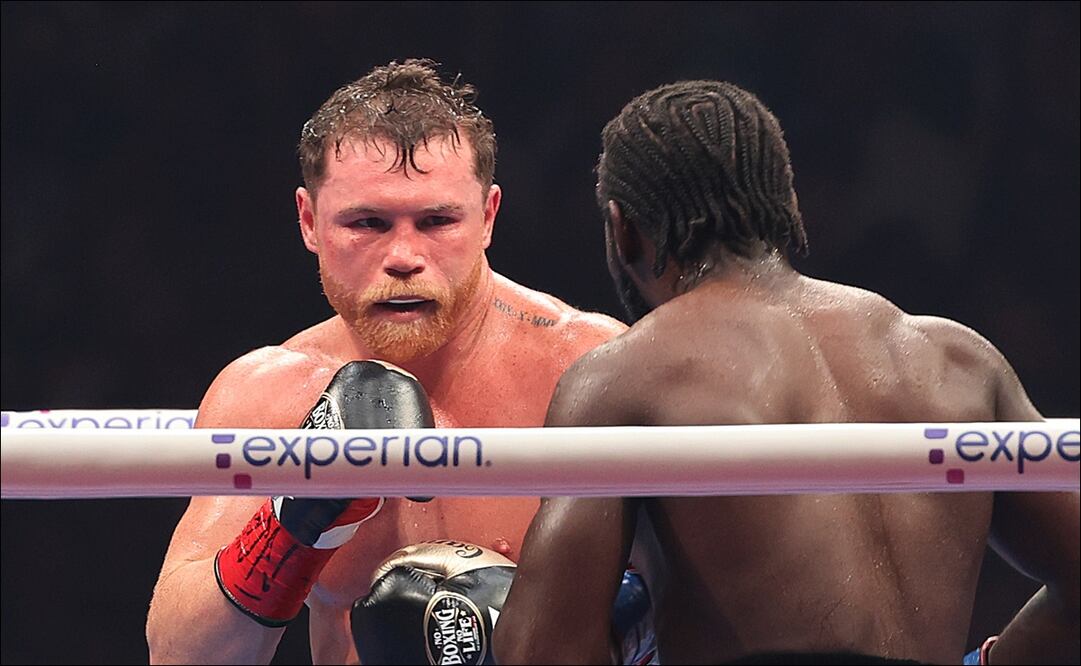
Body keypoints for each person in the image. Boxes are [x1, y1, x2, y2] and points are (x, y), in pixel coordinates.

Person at [493, 80, 1080, 665]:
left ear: (623, 230)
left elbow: (540, 652)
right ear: (785, 204)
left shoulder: (623, 378)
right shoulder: (958, 358)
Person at [144, 59, 625, 664]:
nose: (403, 256)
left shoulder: (585, 370)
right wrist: (296, 521)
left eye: (437, 221)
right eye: (367, 223)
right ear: (309, 222)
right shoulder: (268, 393)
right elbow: (180, 656)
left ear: (487, 217)